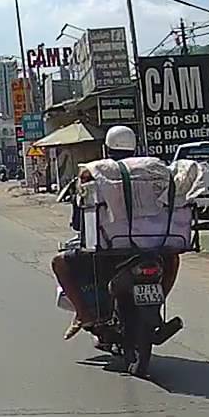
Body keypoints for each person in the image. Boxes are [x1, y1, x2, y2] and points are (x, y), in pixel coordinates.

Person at [52, 125, 182, 340]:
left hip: (108, 249)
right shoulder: (155, 170)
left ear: (106, 148)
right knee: (173, 258)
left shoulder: (95, 172)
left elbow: (78, 223)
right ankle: (156, 307)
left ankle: (83, 314)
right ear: (135, 148)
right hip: (153, 245)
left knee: (59, 263)